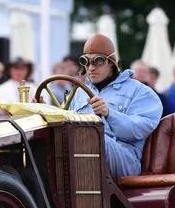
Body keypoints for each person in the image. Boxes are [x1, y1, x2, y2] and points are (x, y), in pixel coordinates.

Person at [69, 33, 162, 177]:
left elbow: (138, 130)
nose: (91, 67)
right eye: (86, 62)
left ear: (111, 63)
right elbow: (63, 121)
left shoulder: (141, 92)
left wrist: (109, 113)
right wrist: (43, 109)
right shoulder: (78, 92)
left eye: (98, 61)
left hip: (125, 158)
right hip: (81, 152)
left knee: (91, 135)